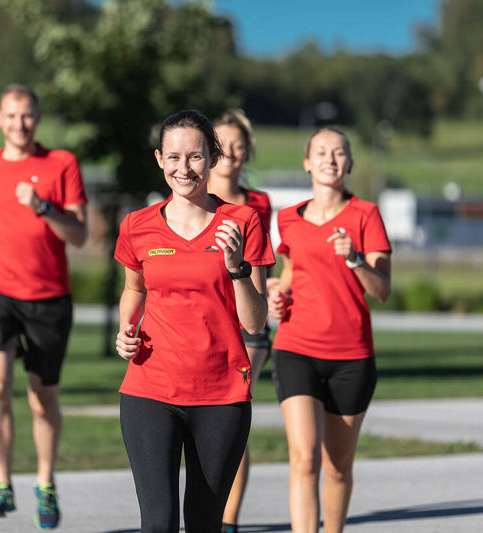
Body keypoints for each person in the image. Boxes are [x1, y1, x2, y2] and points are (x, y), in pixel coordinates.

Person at [114, 110, 274, 533]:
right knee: (159, 523)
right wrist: (124, 331)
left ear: (213, 157)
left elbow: (255, 323)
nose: (183, 168)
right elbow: (134, 290)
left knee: (204, 524)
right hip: (150, 390)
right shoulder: (137, 226)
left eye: (195, 157)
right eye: (174, 157)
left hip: (221, 396)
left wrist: (237, 267)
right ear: (159, 159)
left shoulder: (243, 222)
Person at [0, 84, 87, 530]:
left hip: (49, 297)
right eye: (11, 116)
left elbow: (80, 235)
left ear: (38, 118)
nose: (19, 124)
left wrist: (44, 206)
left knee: (42, 399)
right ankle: (2, 483)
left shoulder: (61, 164)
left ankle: (45, 483)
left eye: (27, 116)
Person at [268, 126, 391, 533]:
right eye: (320, 152)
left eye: (339, 153)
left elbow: (383, 290)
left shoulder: (365, 215)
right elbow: (290, 273)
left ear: (350, 163)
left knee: (337, 468)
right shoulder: (288, 219)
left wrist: (356, 258)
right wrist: (275, 294)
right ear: (306, 162)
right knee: (304, 460)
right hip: (295, 347)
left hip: (351, 357)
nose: (330, 159)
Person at [207, 109, 273, 533]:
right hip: (202, 324)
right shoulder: (192, 198)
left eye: (238, 144)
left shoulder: (259, 205)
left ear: (248, 151)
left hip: (247, 329)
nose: (231, 152)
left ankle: (228, 521)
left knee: (233, 422)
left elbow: (265, 265)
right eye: (222, 144)